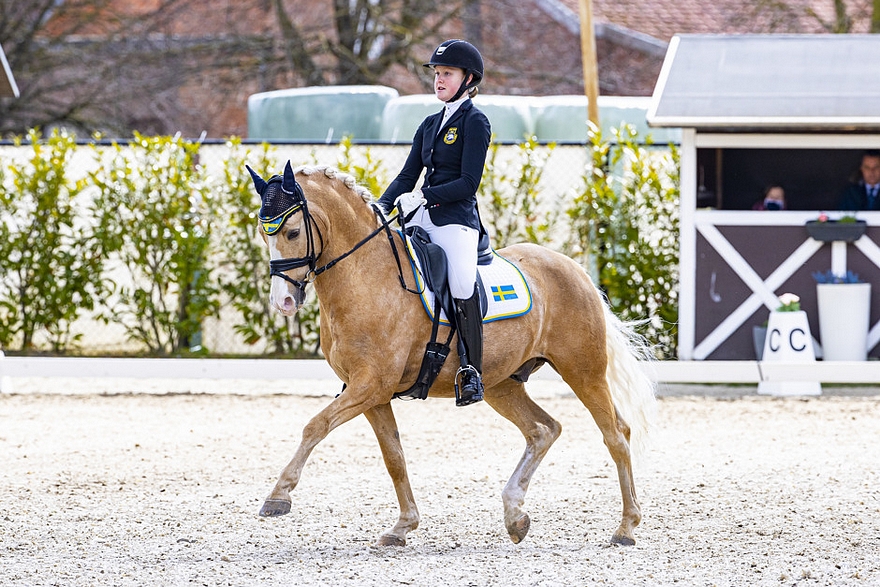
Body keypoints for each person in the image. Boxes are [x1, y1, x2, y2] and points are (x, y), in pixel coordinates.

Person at [377, 39, 491, 407]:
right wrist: (380, 205)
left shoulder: (475, 121)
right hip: (419, 216)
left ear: (468, 78)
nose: (439, 80)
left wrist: (426, 196)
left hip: (456, 220)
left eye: (447, 74)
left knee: (460, 283)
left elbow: (469, 183)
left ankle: (470, 371)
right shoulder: (428, 124)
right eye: (437, 74)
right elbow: (407, 174)